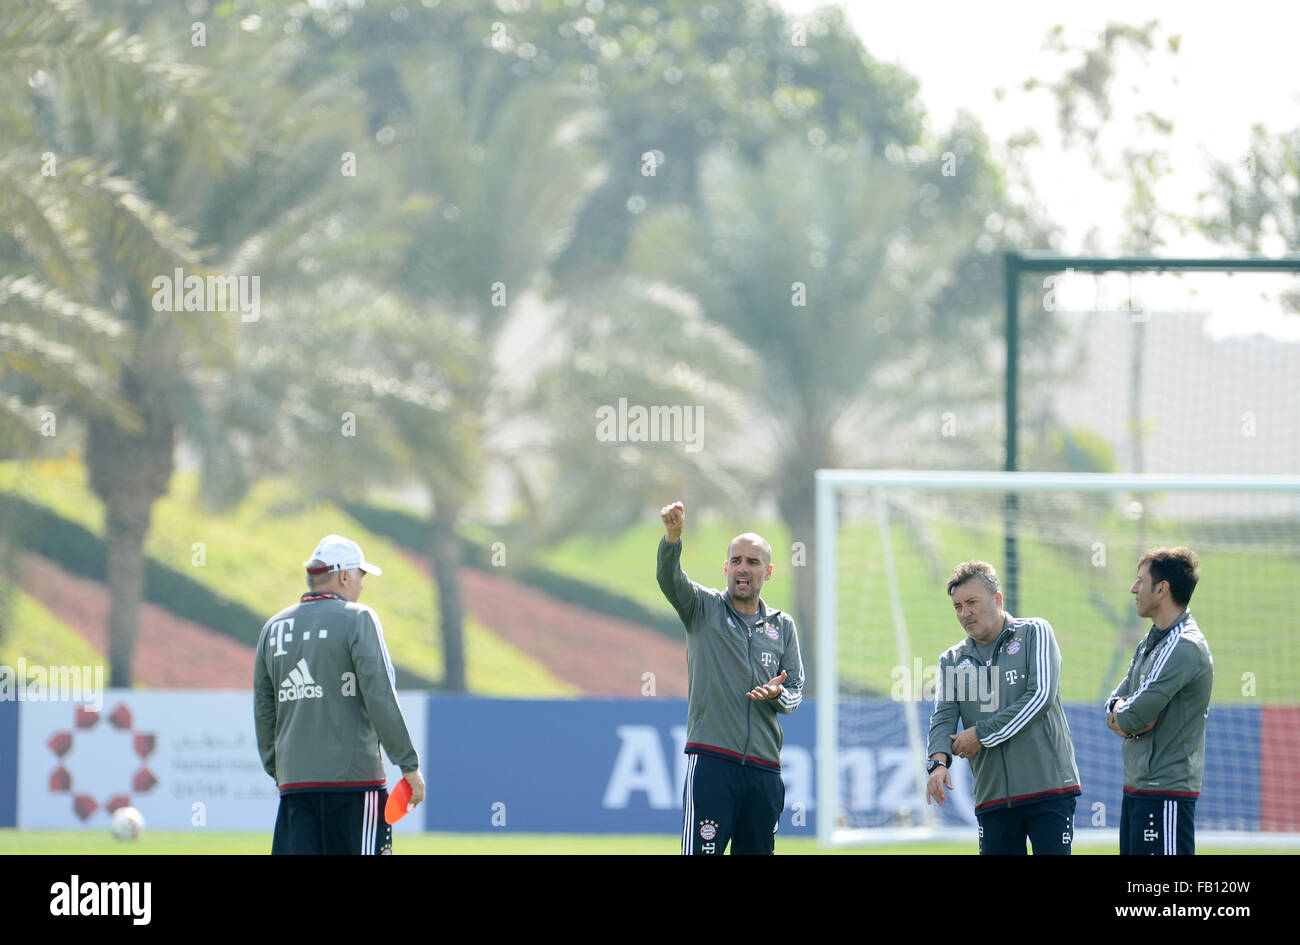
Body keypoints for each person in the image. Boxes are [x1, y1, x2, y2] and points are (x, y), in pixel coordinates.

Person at [254, 534, 426, 855]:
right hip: (355, 788)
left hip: (295, 787)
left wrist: (278, 770)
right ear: (344, 576)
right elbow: (380, 697)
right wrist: (408, 765)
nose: (362, 585)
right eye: (361, 576)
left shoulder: (272, 628)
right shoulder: (359, 618)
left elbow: (264, 710)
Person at [657, 500, 804, 855]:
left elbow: (796, 690)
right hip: (712, 763)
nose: (743, 568)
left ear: (767, 572)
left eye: (753, 562)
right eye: (736, 560)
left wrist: (777, 695)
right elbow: (669, 579)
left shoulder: (782, 626)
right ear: (726, 568)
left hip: (765, 771)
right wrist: (673, 539)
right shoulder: (701, 608)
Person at [925, 561, 1081, 854]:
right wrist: (937, 764)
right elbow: (944, 715)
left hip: (1049, 791)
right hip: (992, 797)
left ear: (997, 600)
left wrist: (981, 735)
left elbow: (1041, 697)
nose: (964, 613)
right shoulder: (952, 660)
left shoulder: (1035, 632)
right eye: (957, 606)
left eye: (972, 602)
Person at [1105, 546, 1212, 855]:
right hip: (1140, 788)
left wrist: (1126, 715)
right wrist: (1123, 711)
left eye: (1140, 580)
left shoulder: (1184, 646)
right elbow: (1115, 702)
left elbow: (1133, 717)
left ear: (1162, 589)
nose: (1133, 589)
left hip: (1165, 793)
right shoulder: (1152, 640)